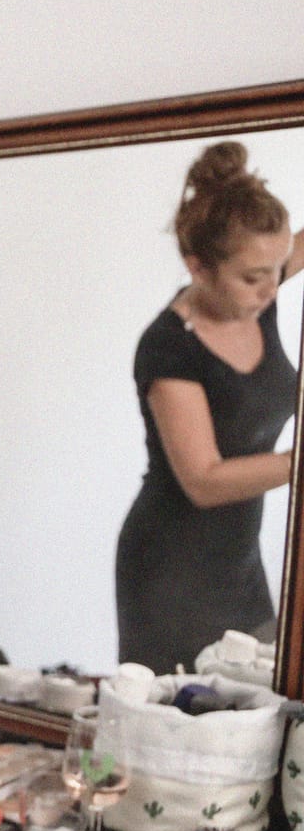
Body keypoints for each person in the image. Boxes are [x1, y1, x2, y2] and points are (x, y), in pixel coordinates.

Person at [116, 141, 304, 673]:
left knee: (265, 707)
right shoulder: (168, 347)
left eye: (278, 266)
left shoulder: (254, 289)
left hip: (240, 565)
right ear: (197, 266)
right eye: (253, 276)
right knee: (181, 733)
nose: (272, 286)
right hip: (170, 571)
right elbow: (204, 480)